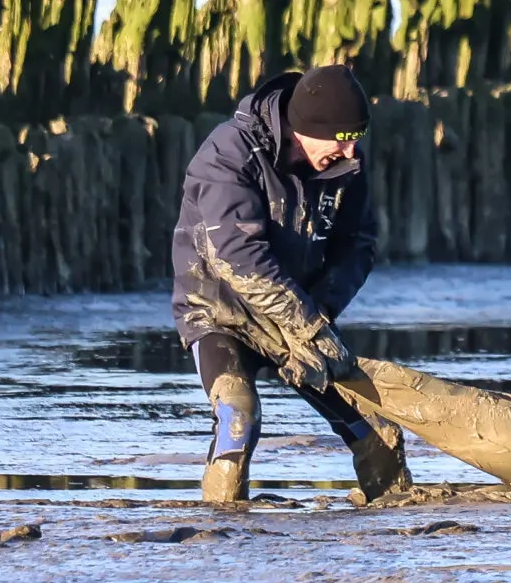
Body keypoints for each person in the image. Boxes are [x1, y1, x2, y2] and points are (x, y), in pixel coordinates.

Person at [170, 64, 409, 505]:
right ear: (305, 129)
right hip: (222, 312)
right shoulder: (228, 154)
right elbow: (237, 258)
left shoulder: (346, 160)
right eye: (341, 140)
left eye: (357, 140)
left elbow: (357, 245)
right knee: (239, 416)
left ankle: (393, 514)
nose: (351, 152)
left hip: (302, 311)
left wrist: (320, 312)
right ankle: (221, 527)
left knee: (375, 427)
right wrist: (307, 325)